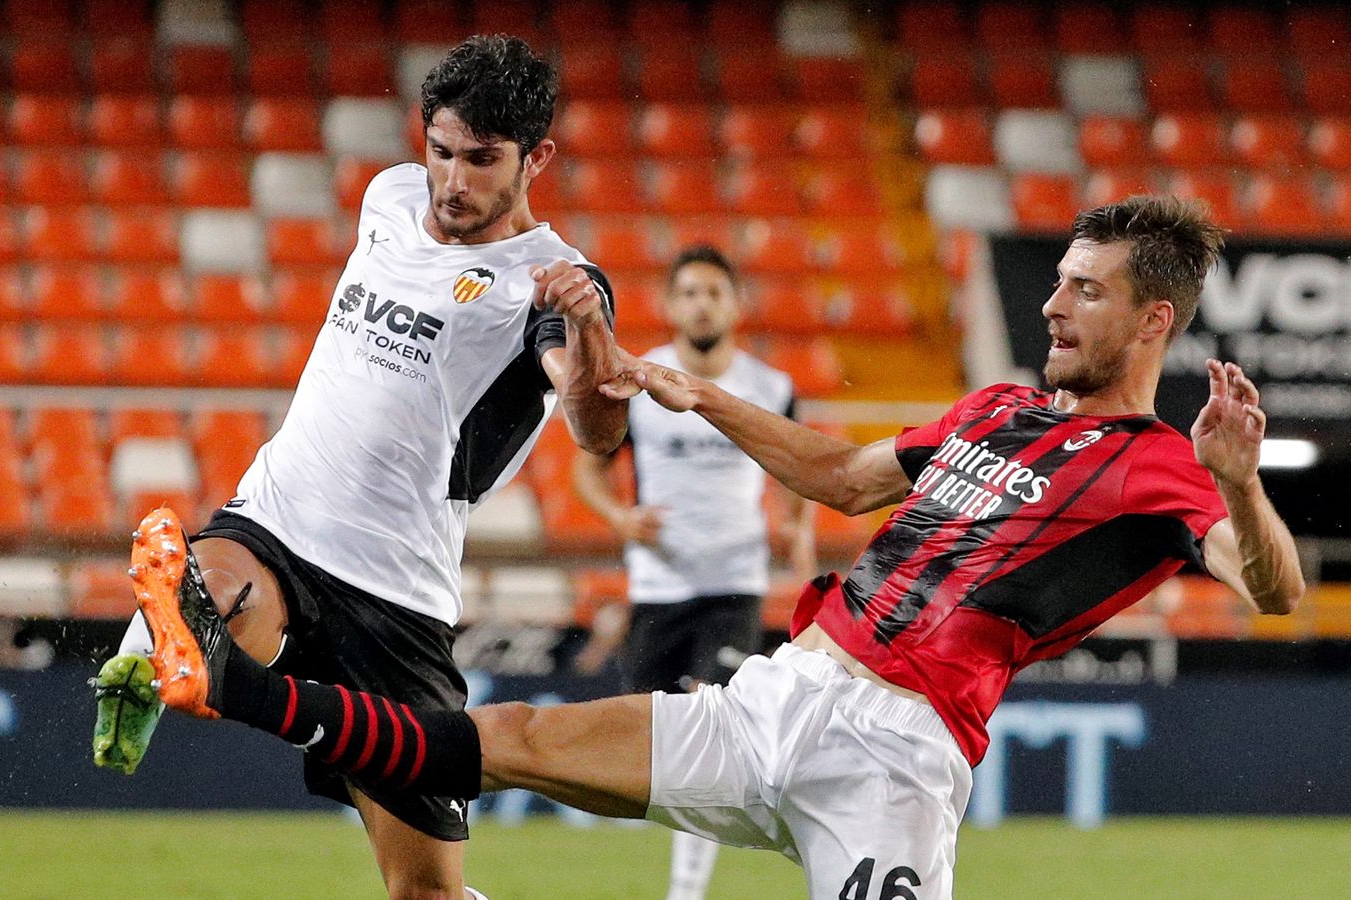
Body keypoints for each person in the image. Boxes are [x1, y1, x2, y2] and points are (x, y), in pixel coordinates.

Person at [129, 194, 1304, 900]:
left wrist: (1242, 488)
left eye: (1085, 291)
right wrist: (702, 397)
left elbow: (1271, 591)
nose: (1053, 305)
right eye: (1056, 281)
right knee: (507, 740)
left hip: (897, 758)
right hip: (782, 692)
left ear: (1154, 320)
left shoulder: (1166, 467)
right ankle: (236, 687)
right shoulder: (994, 409)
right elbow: (843, 478)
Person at [91, 35, 627, 900]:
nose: (453, 180)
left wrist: (592, 334)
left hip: (396, 596)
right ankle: (168, 647)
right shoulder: (388, 197)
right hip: (277, 519)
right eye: (441, 151)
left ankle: (175, 648)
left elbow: (596, 429)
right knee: (207, 583)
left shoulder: (553, 282)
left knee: (425, 891)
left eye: (482, 161)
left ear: (538, 159)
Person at [571, 246, 813, 900]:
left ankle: (686, 892)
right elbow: (587, 466)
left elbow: (798, 464)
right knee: (657, 745)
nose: (701, 303)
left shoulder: (769, 387)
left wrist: (794, 526)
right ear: (672, 305)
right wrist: (621, 520)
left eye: (713, 291)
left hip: (734, 583)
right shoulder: (642, 382)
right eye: (689, 293)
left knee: (712, 730)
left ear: (735, 304)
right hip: (659, 587)